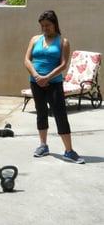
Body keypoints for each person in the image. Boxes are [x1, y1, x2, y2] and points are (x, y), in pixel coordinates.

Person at [24, 10, 85, 164]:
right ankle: (43, 146)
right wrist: (36, 76)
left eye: (48, 25)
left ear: (55, 24)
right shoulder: (35, 39)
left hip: (54, 83)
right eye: (42, 26)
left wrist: (47, 77)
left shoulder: (63, 41)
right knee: (41, 113)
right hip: (36, 82)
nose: (45, 28)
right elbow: (26, 59)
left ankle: (69, 151)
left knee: (60, 115)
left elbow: (64, 64)